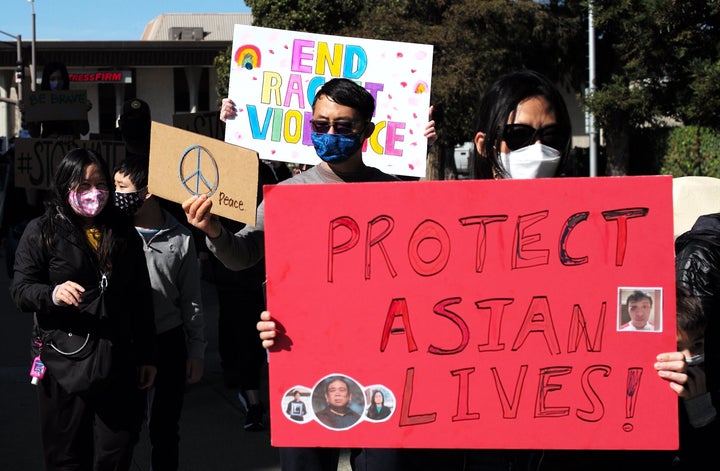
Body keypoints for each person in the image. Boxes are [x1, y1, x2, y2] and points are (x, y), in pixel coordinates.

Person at [187, 77, 435, 471]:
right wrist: (214, 231)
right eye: (321, 125)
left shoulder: (392, 192)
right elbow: (243, 255)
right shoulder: (285, 196)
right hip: (303, 356)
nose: (330, 133)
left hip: (380, 359)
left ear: (366, 131)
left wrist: (429, 152)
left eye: (343, 126)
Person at [10, 148, 156, 470]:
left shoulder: (122, 233)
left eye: (100, 184)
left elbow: (140, 298)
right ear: (65, 186)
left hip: (118, 359)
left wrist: (147, 355)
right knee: (66, 455)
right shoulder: (41, 232)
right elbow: (20, 290)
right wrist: (53, 294)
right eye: (83, 185)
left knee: (118, 449)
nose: (94, 193)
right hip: (64, 361)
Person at [113, 157, 206, 470]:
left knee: (164, 429)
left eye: (122, 188)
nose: (115, 195)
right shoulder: (113, 233)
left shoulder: (180, 238)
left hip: (168, 341)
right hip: (126, 342)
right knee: (123, 430)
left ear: (147, 192)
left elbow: (191, 299)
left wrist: (196, 351)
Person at [27, 61, 92, 140]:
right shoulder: (41, 101)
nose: (57, 82)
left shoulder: (73, 100)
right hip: (48, 147)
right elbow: (34, 133)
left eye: (60, 78)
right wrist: (29, 114)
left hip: (70, 147)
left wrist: (84, 112)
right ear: (47, 81)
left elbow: (84, 131)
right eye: (52, 79)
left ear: (65, 80)